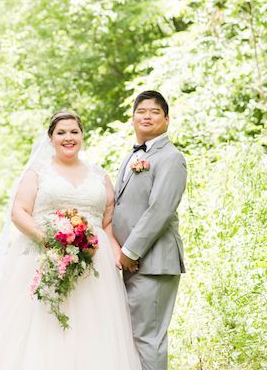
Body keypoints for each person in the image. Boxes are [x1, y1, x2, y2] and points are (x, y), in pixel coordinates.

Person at [0, 111, 141, 369]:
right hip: (43, 257)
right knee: (42, 323)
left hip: (94, 263)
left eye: (73, 132)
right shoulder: (37, 172)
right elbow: (19, 212)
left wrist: (120, 256)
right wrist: (48, 240)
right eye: (61, 133)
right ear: (51, 138)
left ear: (82, 136)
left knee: (91, 326)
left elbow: (106, 224)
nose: (68, 137)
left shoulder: (99, 176)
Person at [112, 91, 187, 370]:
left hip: (152, 262)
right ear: (132, 118)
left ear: (166, 120)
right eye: (141, 111)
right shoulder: (134, 155)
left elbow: (160, 210)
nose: (146, 116)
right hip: (130, 262)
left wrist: (129, 250)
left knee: (148, 339)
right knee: (132, 336)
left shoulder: (171, 157)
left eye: (154, 112)